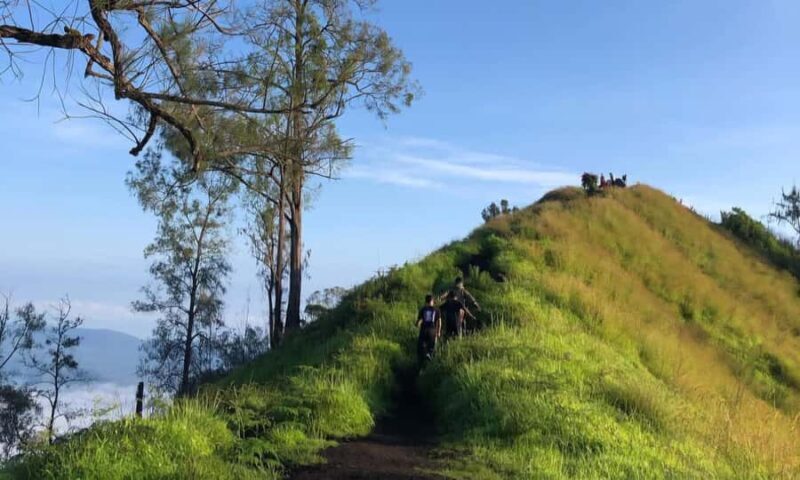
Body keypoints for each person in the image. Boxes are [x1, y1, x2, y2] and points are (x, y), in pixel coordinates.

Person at [416, 294, 441, 365]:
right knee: (432, 346)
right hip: (432, 331)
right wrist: (438, 332)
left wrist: (417, 324)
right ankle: (430, 358)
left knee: (421, 345)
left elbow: (419, 321)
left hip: (424, 330)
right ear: (432, 301)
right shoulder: (437, 310)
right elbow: (439, 322)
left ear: (425, 301)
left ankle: (421, 361)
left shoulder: (423, 309)